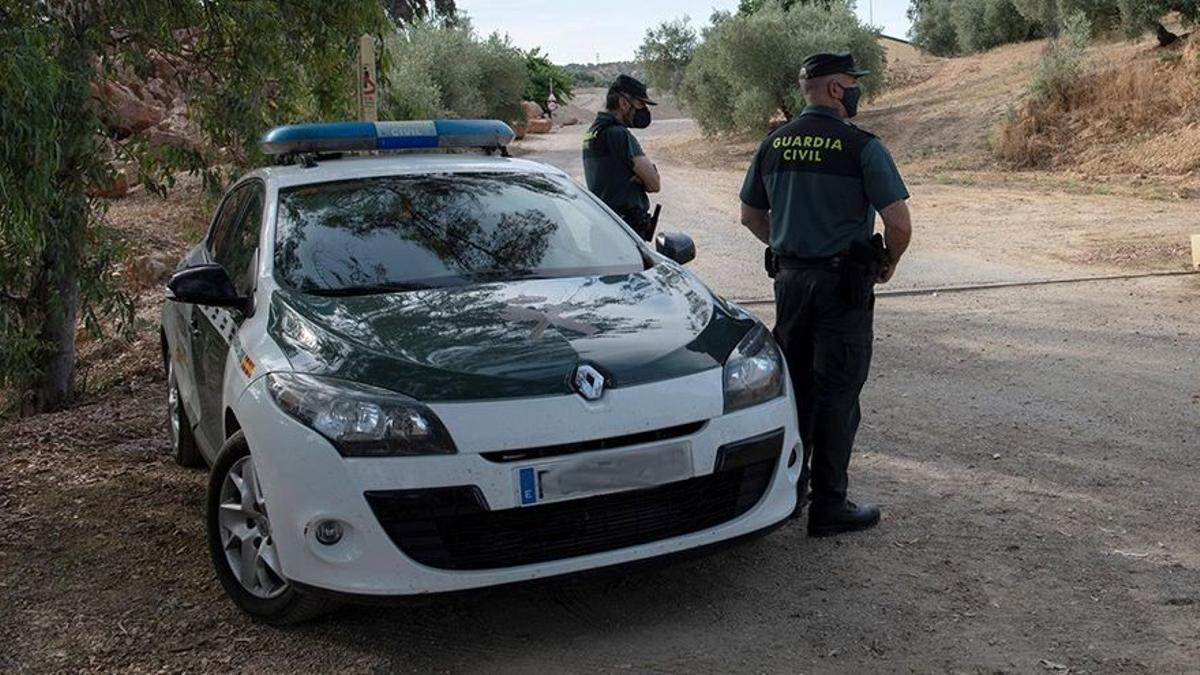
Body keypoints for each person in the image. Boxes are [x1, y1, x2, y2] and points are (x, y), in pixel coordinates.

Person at [739, 52, 913, 537]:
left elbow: (750, 217)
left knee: (797, 389)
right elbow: (897, 221)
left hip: (790, 284)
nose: (857, 91)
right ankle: (829, 505)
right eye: (853, 83)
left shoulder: (773, 145)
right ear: (836, 89)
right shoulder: (860, 146)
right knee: (838, 393)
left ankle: (788, 496)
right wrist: (889, 262)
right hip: (841, 288)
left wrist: (789, 244)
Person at [583, 75, 661, 240]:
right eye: (640, 104)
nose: (644, 111)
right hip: (624, 232)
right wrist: (646, 175)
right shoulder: (619, 134)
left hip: (602, 226)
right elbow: (654, 184)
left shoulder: (594, 131)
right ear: (624, 103)